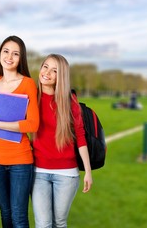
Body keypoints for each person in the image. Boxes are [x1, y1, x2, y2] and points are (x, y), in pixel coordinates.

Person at [31, 54, 93, 228]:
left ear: (61, 76)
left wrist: (88, 171)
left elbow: (80, 137)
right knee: (43, 224)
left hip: (67, 174)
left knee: (59, 222)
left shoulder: (69, 102)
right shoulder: (31, 97)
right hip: (38, 172)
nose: (47, 73)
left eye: (54, 71)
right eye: (45, 66)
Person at [0, 35, 39, 227]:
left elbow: (33, 124)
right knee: (5, 214)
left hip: (20, 160)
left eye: (15, 54)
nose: (10, 57)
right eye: (6, 51)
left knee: (19, 216)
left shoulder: (28, 84)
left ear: (21, 58)